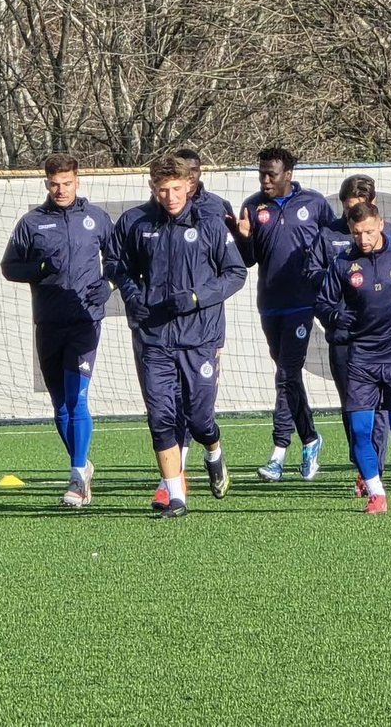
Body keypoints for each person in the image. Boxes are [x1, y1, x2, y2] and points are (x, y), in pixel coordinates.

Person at [110, 155, 247, 518]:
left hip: (199, 338)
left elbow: (236, 273)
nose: (169, 196)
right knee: (160, 417)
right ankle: (176, 497)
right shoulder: (136, 222)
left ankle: (214, 452)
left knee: (200, 420)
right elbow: (116, 264)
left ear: (189, 185)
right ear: (152, 188)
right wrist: (133, 295)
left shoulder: (210, 224)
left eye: (175, 188)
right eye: (162, 189)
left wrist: (197, 297)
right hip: (154, 338)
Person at [0, 153, 117, 508]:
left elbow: (118, 260)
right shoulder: (32, 222)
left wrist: (109, 284)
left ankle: (77, 476)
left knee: (77, 398)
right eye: (54, 184)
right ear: (46, 183)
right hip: (48, 322)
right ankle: (83, 465)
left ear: (78, 181)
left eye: (67, 183)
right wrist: (39, 267)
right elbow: (9, 267)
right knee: (60, 405)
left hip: (85, 320)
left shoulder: (96, 218)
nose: (61, 189)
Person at [315, 202, 391, 513]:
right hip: (361, 360)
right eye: (357, 233)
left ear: (380, 224)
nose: (363, 239)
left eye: (369, 231)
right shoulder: (343, 262)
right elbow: (323, 303)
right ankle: (376, 493)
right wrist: (335, 319)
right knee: (360, 431)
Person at [236, 147, 333, 482]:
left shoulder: (315, 204)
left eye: (271, 174)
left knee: (285, 374)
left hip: (302, 304)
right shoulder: (252, 206)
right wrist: (243, 238)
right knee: (289, 377)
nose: (265, 180)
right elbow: (248, 260)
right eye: (261, 173)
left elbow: (333, 248)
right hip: (270, 304)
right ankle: (310, 439)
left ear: (288, 174)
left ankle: (278, 452)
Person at [306, 174, 391, 495]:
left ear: (374, 205)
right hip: (344, 335)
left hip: (383, 338)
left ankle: (375, 469)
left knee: (382, 406)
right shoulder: (327, 236)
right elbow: (311, 273)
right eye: (349, 208)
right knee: (353, 405)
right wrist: (341, 278)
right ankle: (362, 464)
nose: (355, 216)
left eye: (360, 207)